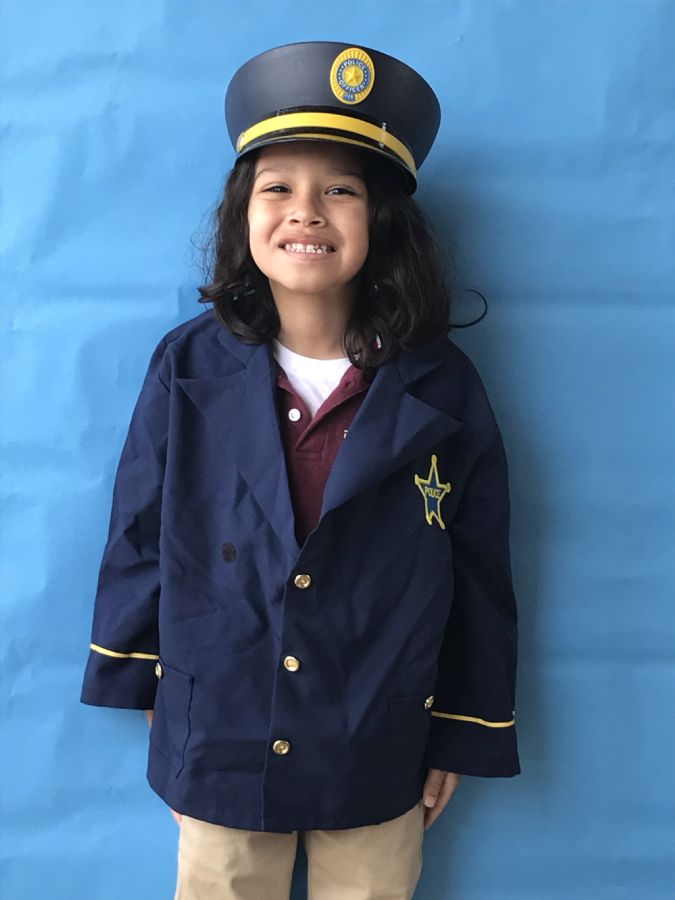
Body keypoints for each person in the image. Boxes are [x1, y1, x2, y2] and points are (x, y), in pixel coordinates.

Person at [80, 41, 520, 900]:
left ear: (381, 219)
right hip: (221, 729)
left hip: (378, 733)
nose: (305, 212)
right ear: (242, 214)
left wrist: (463, 726)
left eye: (340, 191)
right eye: (277, 188)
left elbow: (478, 565)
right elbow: (138, 526)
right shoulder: (186, 366)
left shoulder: (443, 387)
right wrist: (147, 685)